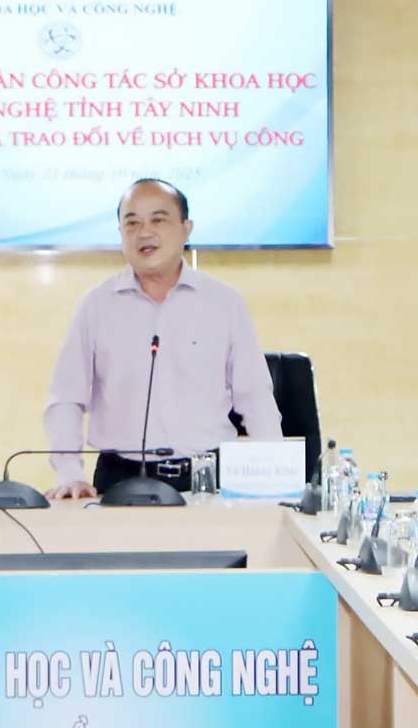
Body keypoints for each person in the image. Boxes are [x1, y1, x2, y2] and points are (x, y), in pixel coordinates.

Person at [45, 178, 282, 500]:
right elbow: (65, 397)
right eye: (132, 223)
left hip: (207, 478)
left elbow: (254, 396)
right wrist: (70, 473)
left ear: (186, 228)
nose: (144, 233)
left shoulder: (223, 303)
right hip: (119, 477)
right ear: (121, 234)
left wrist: (274, 473)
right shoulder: (97, 305)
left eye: (158, 220)